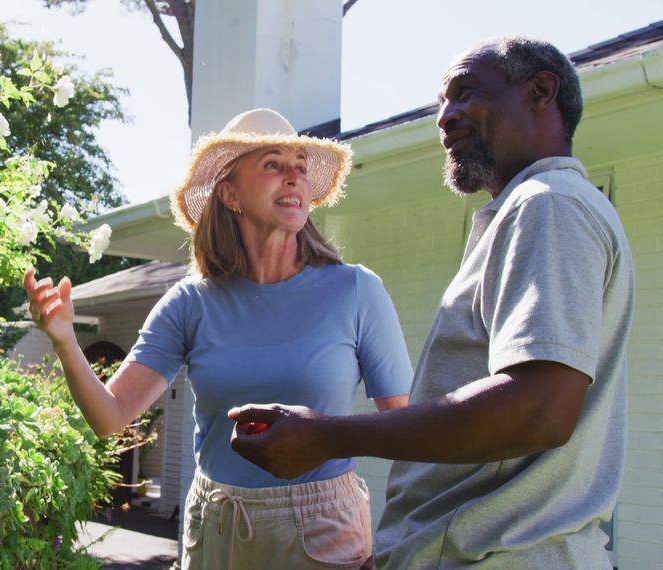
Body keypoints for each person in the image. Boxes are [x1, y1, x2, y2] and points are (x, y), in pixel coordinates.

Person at [229, 37, 635, 568]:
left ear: (541, 91)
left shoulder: (548, 205)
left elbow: (539, 409)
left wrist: (325, 436)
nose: (445, 118)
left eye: (465, 93)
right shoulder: (534, 210)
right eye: (441, 103)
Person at [23, 108, 413, 569]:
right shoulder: (191, 302)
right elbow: (110, 418)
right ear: (230, 193)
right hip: (217, 523)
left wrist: (401, 542)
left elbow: (407, 427)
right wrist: (66, 342)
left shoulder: (355, 290)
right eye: (273, 164)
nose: (294, 177)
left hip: (323, 528)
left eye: (301, 167)